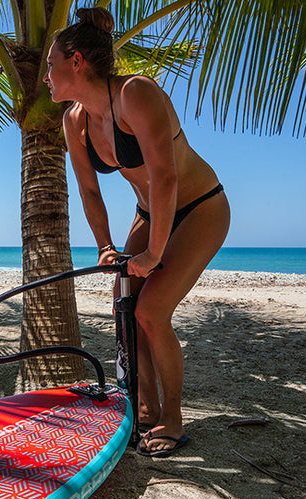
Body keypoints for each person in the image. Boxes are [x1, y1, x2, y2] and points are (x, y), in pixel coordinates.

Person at [44, 7, 230, 457]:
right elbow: (90, 191)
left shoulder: (135, 94)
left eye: (51, 65)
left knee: (151, 311)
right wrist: (106, 246)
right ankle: (144, 410)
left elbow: (165, 177)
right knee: (124, 307)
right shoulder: (75, 121)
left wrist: (153, 254)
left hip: (200, 207)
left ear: (76, 62)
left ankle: (173, 420)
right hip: (150, 212)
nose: (45, 76)